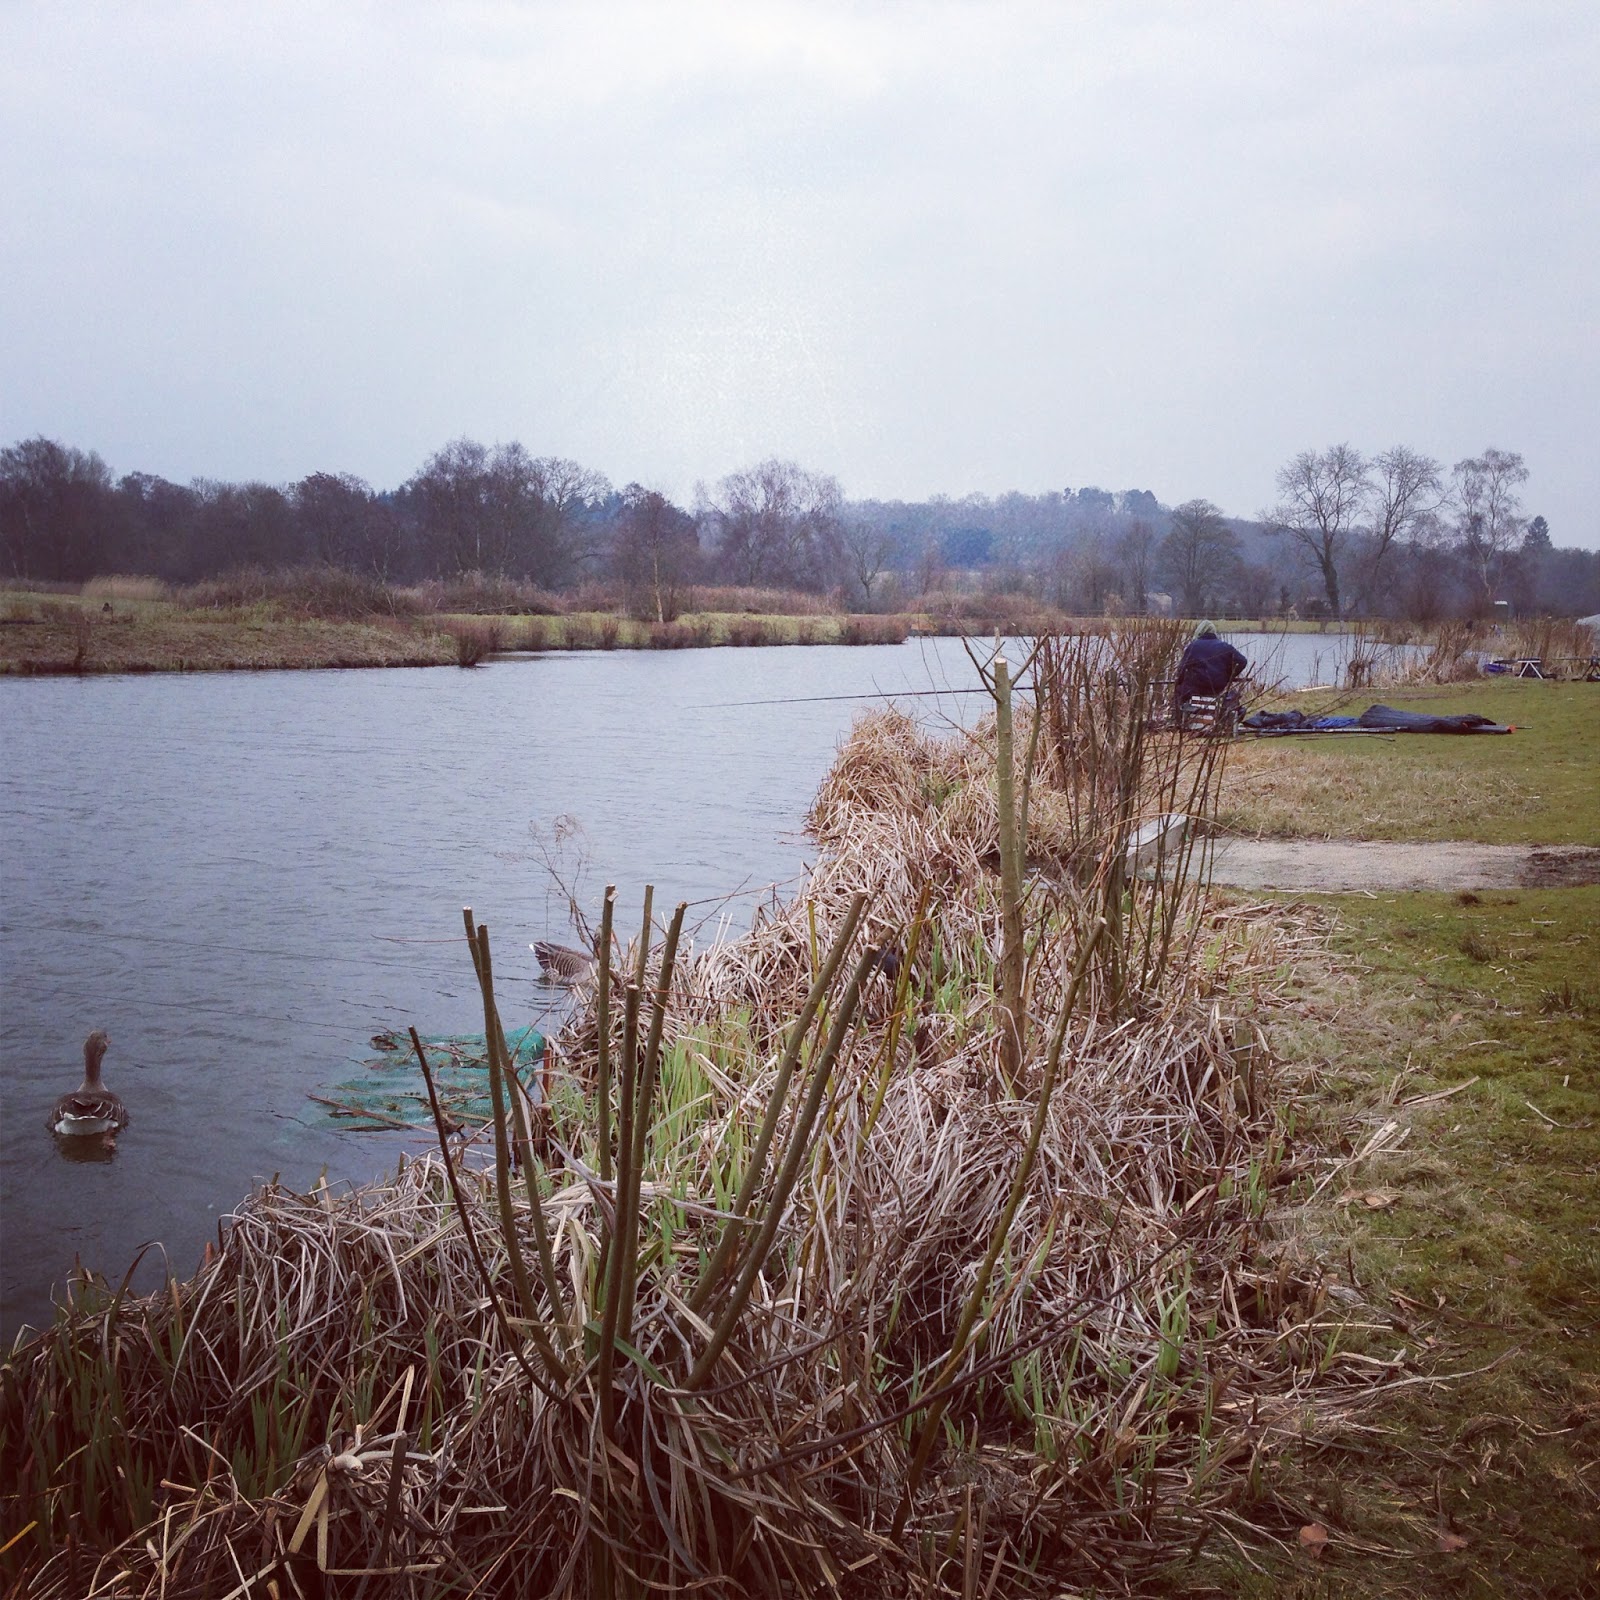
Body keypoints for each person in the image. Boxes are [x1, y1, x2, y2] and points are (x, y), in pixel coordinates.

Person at [1174, 622, 1247, 716]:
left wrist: (1179, 682)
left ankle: (1179, 718)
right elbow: (1242, 661)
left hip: (1196, 687)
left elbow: (1182, 668)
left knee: (1179, 692)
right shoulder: (1225, 646)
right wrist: (1229, 675)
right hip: (1218, 687)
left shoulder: (1194, 646)